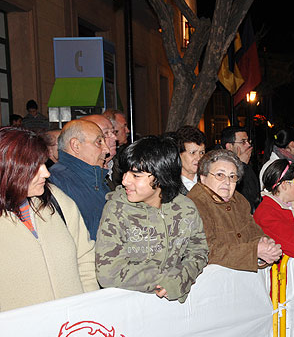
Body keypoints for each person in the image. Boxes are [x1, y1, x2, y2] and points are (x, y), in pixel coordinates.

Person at [95, 135, 208, 303]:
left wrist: (182, 279)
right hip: (132, 307)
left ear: (161, 177)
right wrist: (165, 280)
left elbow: (199, 250)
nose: (125, 180)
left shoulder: (185, 208)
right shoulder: (117, 210)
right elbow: (108, 272)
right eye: (125, 172)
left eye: (136, 176)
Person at [0, 127, 99, 312]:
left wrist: (88, 305)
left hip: (72, 327)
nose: (46, 173)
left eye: (44, 164)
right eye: (35, 167)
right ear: (10, 169)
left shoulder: (56, 200)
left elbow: (85, 257)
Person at [187, 149, 282, 270]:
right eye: (220, 175)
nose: (227, 182)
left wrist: (268, 247)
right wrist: (254, 252)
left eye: (232, 176)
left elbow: (254, 233)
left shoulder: (239, 200)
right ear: (203, 177)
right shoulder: (193, 204)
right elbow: (206, 250)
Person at [48, 119, 110, 240]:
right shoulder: (55, 183)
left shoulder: (97, 178)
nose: (106, 149)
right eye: (99, 142)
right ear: (76, 145)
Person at [222, 126, 261, 213]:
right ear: (229, 146)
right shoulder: (220, 168)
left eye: (248, 141)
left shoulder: (248, 164)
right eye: (243, 142)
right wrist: (241, 165)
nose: (248, 145)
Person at [173, 125, 206, 194]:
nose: (199, 158)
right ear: (179, 154)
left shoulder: (208, 180)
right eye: (193, 153)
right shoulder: (171, 185)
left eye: (202, 152)